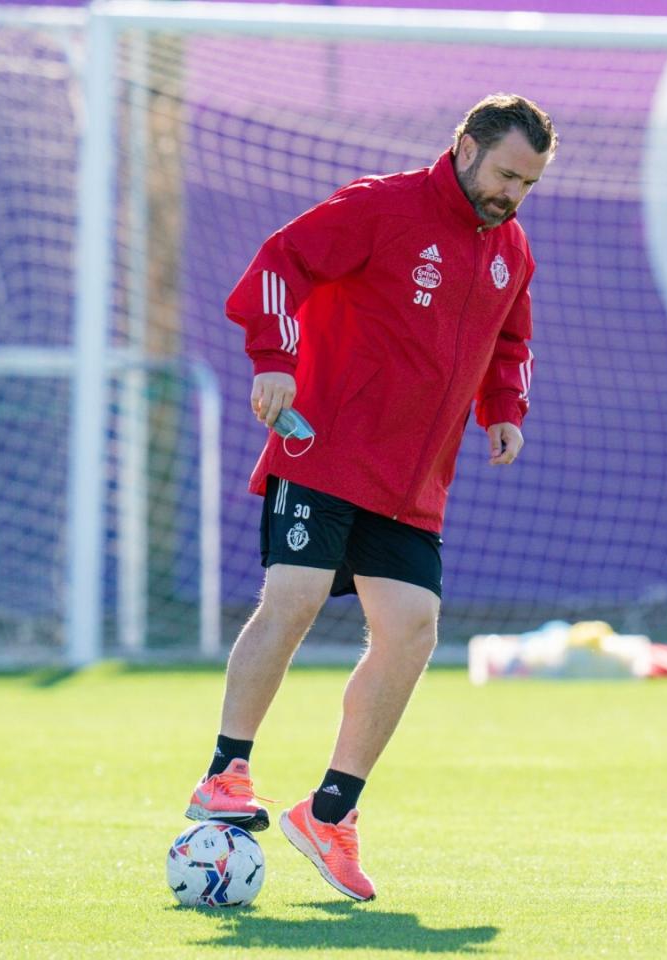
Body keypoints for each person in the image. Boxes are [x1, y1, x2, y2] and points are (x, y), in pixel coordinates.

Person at [183, 93, 555, 902]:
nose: (512, 195)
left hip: (412, 479)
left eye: (527, 184)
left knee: (413, 631)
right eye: (504, 174)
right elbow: (281, 262)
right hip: (325, 446)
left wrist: (504, 411)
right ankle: (225, 772)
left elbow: (512, 340)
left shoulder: (511, 250)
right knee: (296, 595)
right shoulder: (381, 206)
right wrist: (274, 358)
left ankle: (330, 813)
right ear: (464, 147)